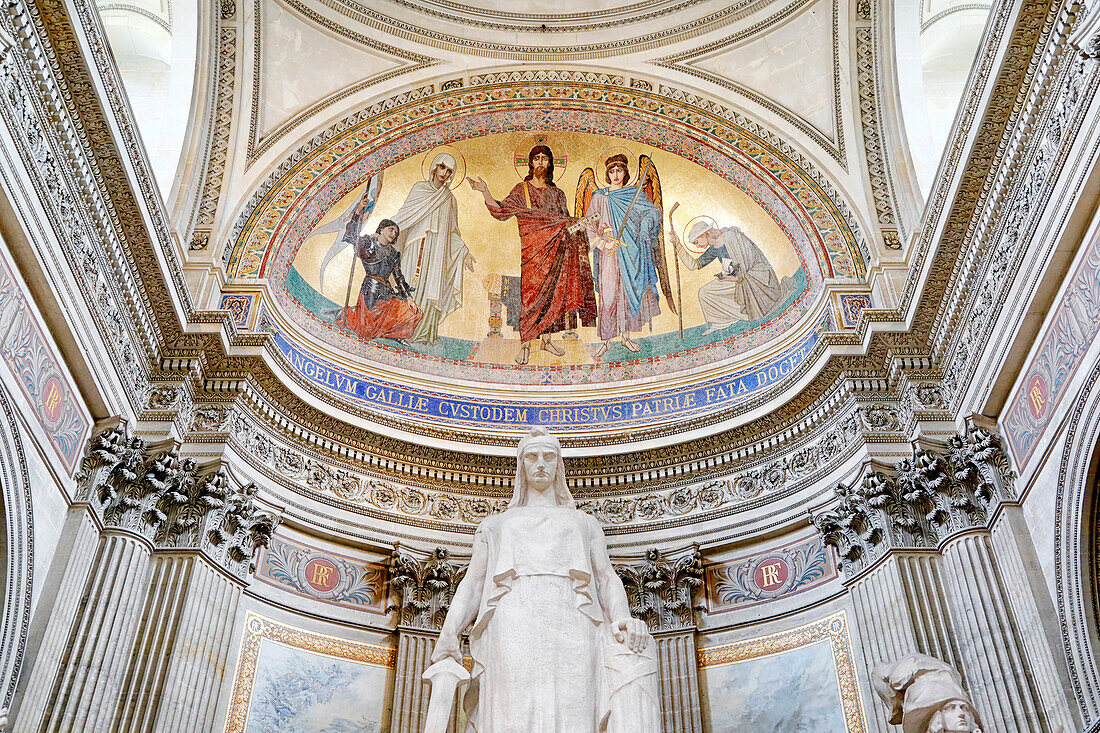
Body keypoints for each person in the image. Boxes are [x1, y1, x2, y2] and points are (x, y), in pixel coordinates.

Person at [427, 427, 661, 732]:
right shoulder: (495, 525)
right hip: (512, 620)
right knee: (513, 706)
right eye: (532, 457)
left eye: (548, 456)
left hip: (574, 619)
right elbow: (472, 584)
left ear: (558, 465)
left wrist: (621, 618)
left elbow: (605, 578)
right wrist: (449, 633)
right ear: (522, 466)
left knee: (575, 705)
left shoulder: (584, 523)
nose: (540, 463)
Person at [468, 145, 597, 364]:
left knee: (553, 298)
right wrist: (485, 191)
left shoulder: (558, 194)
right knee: (530, 300)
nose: (540, 163)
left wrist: (580, 225)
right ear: (530, 163)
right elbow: (500, 211)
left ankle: (546, 341)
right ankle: (526, 345)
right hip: (533, 256)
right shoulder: (522, 190)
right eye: (536, 158)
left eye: (544, 159)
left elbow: (565, 224)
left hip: (556, 254)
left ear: (550, 164)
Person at [390, 153, 476, 343]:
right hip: (414, 247)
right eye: (443, 167)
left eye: (450, 171)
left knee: (431, 289)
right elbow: (404, 216)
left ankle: (421, 334)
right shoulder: (419, 189)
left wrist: (464, 252)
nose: (445, 173)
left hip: (436, 254)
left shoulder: (449, 200)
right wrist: (380, 232)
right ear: (435, 167)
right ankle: (399, 330)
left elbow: (453, 232)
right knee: (407, 284)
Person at [583, 154, 663, 357]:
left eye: (619, 170)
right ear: (607, 174)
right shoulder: (600, 197)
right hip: (608, 252)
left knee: (626, 294)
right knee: (609, 296)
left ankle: (626, 337)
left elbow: (652, 213)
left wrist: (645, 225)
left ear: (625, 173)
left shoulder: (633, 194)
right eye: (612, 171)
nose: (615, 174)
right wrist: (603, 241)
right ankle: (607, 340)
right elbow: (588, 225)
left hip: (630, 251)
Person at [671, 220, 785, 334]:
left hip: (755, 276)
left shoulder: (732, 237)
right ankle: (720, 322)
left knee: (730, 285)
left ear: (705, 234)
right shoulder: (713, 250)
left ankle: (748, 312)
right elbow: (693, 265)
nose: (697, 246)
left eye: (697, 242)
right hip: (738, 278)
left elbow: (749, 261)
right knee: (705, 293)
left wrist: (734, 277)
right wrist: (678, 245)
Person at [337, 219, 421, 341]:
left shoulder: (393, 253)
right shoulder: (368, 244)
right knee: (366, 332)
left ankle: (393, 335)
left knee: (414, 312)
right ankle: (346, 314)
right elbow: (351, 236)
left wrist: (408, 297)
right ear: (381, 229)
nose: (393, 234)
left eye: (396, 232)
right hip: (370, 291)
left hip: (387, 293)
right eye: (391, 229)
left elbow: (398, 276)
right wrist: (357, 213)